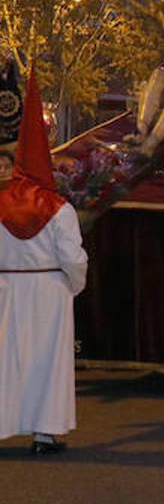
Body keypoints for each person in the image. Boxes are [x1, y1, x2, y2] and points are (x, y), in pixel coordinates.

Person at [0, 71, 88, 455]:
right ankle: (44, 435)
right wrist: (74, 284)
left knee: (6, 360)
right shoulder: (60, 207)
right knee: (48, 364)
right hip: (50, 291)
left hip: (5, 289)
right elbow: (73, 256)